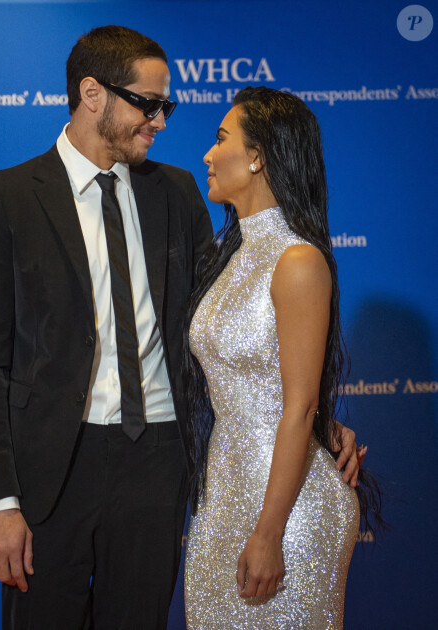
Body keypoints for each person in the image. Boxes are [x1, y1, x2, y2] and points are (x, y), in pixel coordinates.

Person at [0, 26, 362, 630]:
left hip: (157, 464)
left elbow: (227, 320)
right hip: (49, 474)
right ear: (93, 95)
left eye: (165, 105)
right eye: (149, 104)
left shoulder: (175, 192)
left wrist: (313, 416)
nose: (163, 121)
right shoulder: (9, 196)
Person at [184, 87, 367, 628]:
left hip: (287, 513)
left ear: (259, 156)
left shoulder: (297, 260)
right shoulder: (232, 255)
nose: (207, 155)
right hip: (224, 499)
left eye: (221, 140)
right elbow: (256, 381)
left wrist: (269, 532)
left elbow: (299, 403)